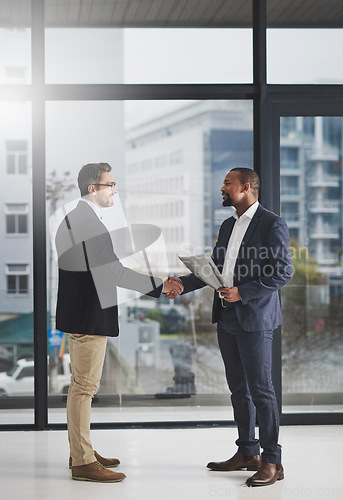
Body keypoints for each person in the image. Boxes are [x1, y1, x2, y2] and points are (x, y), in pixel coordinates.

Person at [55, 162, 183, 483]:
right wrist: (159, 285)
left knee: (80, 386)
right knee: (84, 388)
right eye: (110, 184)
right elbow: (112, 272)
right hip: (88, 315)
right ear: (92, 189)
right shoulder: (87, 222)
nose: (115, 190)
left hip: (81, 312)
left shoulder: (78, 219)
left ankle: (80, 450)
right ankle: (83, 461)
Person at [172, 168, 292, 487]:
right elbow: (213, 271)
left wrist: (243, 291)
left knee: (261, 390)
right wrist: (181, 284)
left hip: (255, 320)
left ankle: (272, 461)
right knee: (238, 389)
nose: (221, 187)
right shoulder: (228, 225)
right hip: (226, 319)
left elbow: (283, 273)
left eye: (228, 183)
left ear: (247, 187)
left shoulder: (272, 224)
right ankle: (247, 453)